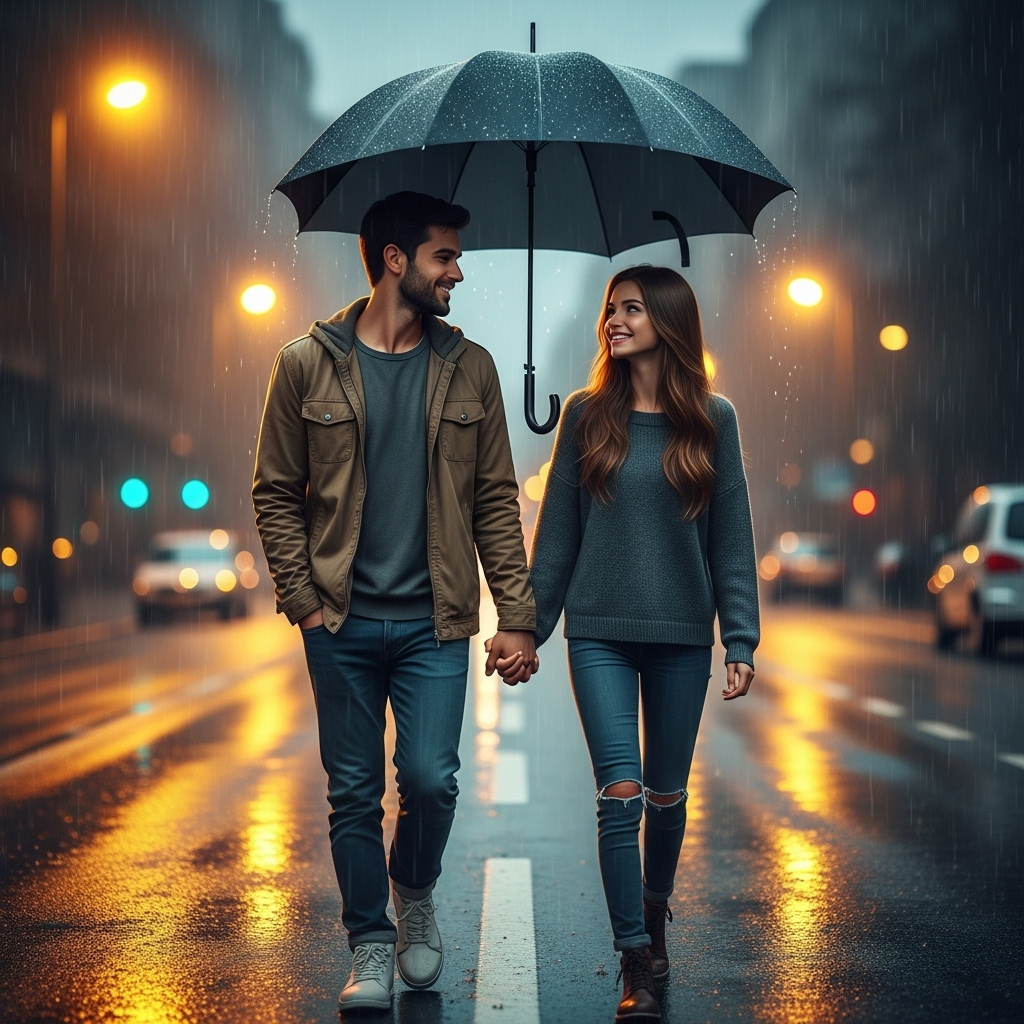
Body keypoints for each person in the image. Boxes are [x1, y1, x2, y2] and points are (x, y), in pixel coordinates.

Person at [252, 191, 538, 1011]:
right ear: (394, 260)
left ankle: (413, 892)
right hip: (337, 621)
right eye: (445, 255)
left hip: (435, 622)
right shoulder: (304, 363)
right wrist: (303, 600)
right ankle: (370, 943)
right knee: (350, 791)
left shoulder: (470, 367)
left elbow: (493, 497)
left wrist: (513, 613)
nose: (458, 271)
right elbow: (274, 492)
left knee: (431, 779)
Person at [528, 265, 758, 1022]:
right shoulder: (587, 416)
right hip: (598, 632)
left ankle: (654, 916)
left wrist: (740, 639)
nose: (613, 321)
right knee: (620, 794)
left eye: (630, 309)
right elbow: (556, 539)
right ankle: (635, 960)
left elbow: (731, 540)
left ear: (667, 320)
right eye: (609, 309)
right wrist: (528, 628)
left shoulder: (713, 419)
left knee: (666, 797)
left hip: (682, 638)